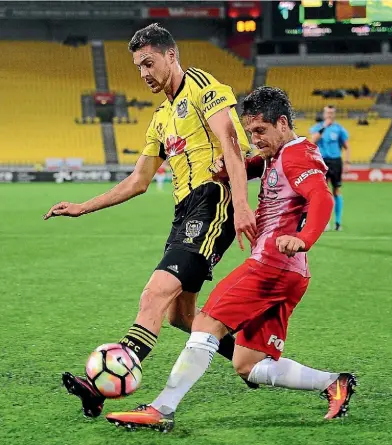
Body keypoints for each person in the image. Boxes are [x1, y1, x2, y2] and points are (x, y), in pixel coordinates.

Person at [105, 87, 357, 431]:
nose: (254, 139)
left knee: (205, 323)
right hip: (291, 275)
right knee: (248, 363)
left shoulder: (297, 154)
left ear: (282, 123)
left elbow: (321, 198)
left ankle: (162, 408)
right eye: (249, 132)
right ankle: (333, 382)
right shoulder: (279, 154)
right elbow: (259, 166)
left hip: (271, 264)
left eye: (260, 131)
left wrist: (303, 239)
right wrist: (231, 168)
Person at [43, 23, 257, 418]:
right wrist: (81, 206)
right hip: (184, 213)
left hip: (213, 202)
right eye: (138, 66)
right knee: (182, 316)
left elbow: (232, 145)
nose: (143, 73)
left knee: (154, 293)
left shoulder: (203, 87)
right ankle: (253, 359)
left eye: (149, 62)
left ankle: (103, 385)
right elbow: (139, 181)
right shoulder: (159, 118)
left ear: (171, 56)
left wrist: (242, 204)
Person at [310, 106, 351, 231]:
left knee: (337, 190)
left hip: (336, 161)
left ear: (334, 114)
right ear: (324, 114)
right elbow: (313, 141)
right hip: (322, 162)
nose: (329, 115)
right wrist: (324, 127)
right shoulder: (318, 127)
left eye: (332, 113)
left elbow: (346, 146)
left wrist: (348, 161)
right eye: (328, 112)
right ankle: (325, 222)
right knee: (324, 192)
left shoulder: (339, 129)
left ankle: (338, 222)